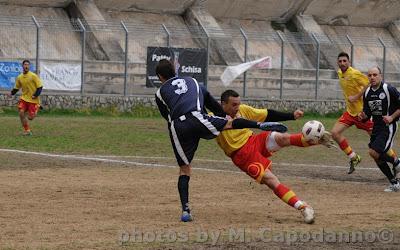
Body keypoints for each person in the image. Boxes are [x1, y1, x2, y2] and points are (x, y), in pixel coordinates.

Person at [154, 59, 287, 222]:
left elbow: (168, 118)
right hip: (198, 118)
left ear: (160, 76)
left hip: (178, 126)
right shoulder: (193, 81)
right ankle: (259, 124)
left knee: (184, 169)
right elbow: (211, 102)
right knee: (230, 124)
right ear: (175, 70)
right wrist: (223, 117)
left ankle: (185, 210)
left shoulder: (159, 93)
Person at [215, 89, 335, 224]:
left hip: (254, 140)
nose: (237, 108)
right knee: (271, 180)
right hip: (242, 155)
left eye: (238, 104)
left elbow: (267, 114)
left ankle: (316, 140)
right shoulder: (213, 118)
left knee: (282, 138)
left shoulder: (242, 110)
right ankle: (303, 207)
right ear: (223, 104)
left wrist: (291, 115)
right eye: (234, 105)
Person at [331, 52, 397, 174]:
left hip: (364, 114)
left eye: (345, 61)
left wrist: (356, 96)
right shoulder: (340, 73)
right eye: (340, 61)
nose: (342, 63)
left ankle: (395, 162)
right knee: (335, 133)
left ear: (349, 62)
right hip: (350, 113)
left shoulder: (354, 73)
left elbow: (368, 83)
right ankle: (354, 157)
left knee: (379, 143)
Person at [359, 66, 400, 192]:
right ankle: (394, 183)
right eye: (370, 75)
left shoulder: (388, 89)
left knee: (373, 152)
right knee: (376, 156)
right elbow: (367, 112)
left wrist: (391, 117)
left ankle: (396, 162)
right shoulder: (367, 93)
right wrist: (363, 116)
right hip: (376, 127)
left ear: (380, 76)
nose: (372, 77)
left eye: (375, 75)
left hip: (388, 126)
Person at [9, 60, 43, 136]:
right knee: (21, 113)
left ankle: (37, 106)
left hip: (33, 99)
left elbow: (40, 87)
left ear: (29, 66)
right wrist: (11, 93)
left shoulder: (33, 76)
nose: (26, 66)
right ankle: (27, 130)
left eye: (28, 65)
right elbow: (17, 87)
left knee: (30, 118)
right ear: (22, 66)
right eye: (25, 64)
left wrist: (36, 95)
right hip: (24, 98)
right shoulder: (19, 77)